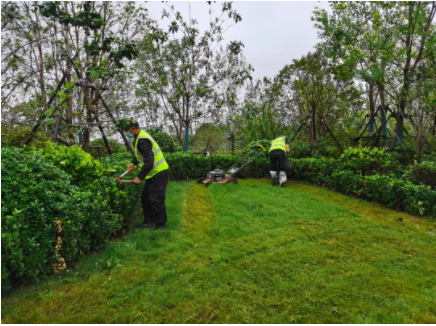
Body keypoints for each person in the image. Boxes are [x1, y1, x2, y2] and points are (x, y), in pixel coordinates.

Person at [124, 120, 169, 230]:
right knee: (145, 197)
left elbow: (149, 161)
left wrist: (139, 177)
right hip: (152, 173)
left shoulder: (142, 140)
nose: (126, 133)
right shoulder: (138, 138)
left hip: (159, 172)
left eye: (127, 130)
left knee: (156, 198)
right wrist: (133, 162)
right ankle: (148, 222)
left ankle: (160, 225)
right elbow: (141, 155)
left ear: (133, 129)